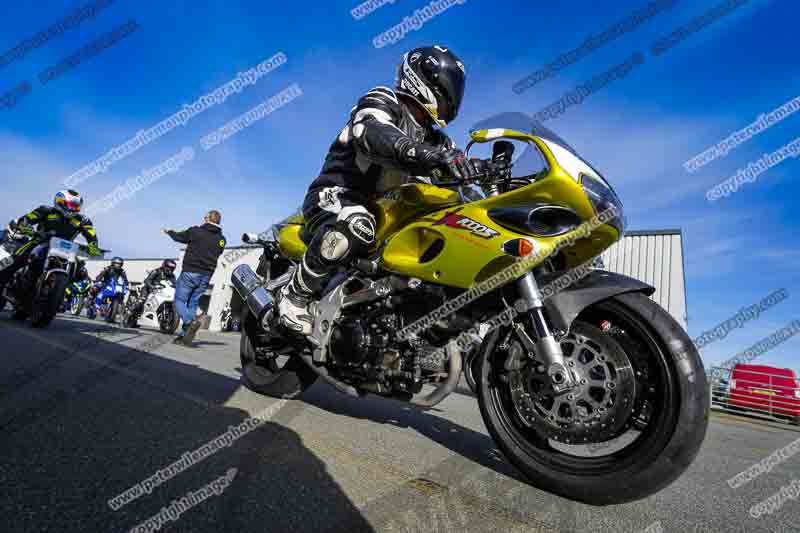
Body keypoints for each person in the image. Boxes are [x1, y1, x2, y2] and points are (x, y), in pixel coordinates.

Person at [278, 45, 481, 335]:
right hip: (339, 193)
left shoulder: (439, 141)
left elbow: (455, 170)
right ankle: (295, 295)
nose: (452, 97)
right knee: (358, 225)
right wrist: (426, 156)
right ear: (426, 80)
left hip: (389, 211)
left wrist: (479, 172)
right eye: (448, 87)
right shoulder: (383, 100)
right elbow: (371, 132)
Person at [0, 190, 101, 288]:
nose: (74, 208)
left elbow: (90, 233)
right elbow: (27, 218)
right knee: (17, 258)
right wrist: (24, 225)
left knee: (79, 270)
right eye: (72, 205)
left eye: (76, 205)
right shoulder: (46, 210)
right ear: (60, 202)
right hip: (40, 241)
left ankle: (65, 299)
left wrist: (93, 245)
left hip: (65, 249)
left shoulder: (82, 220)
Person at [163, 211, 226, 346]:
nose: (203, 219)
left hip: (190, 272)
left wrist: (170, 232)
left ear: (208, 219)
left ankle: (189, 321)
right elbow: (219, 251)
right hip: (206, 276)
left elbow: (179, 237)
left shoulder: (196, 231)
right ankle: (185, 337)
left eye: (205, 217)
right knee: (192, 304)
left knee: (179, 300)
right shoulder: (221, 239)